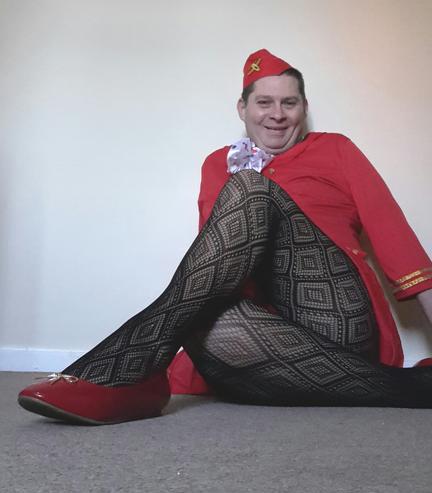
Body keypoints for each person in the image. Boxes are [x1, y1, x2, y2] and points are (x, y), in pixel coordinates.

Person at [18, 49, 432, 425]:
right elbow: (213, 265)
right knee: (197, 317)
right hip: (272, 337)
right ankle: (412, 388)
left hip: (336, 313)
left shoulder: (336, 149)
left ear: (304, 109)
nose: (277, 114)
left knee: (249, 187)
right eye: (264, 102)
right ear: (242, 108)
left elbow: (395, 237)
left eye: (289, 103)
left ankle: (124, 367)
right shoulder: (219, 163)